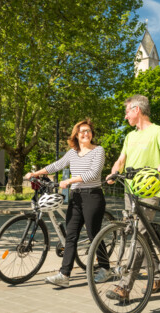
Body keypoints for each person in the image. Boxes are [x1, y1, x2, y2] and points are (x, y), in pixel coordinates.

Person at [105, 95, 160, 301]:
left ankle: (124, 286)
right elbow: (121, 160)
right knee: (139, 235)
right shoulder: (129, 136)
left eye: (127, 111)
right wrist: (113, 173)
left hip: (149, 190)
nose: (125, 115)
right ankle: (158, 277)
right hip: (130, 191)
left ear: (137, 110)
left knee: (138, 235)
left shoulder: (158, 131)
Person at [24, 118, 107, 288]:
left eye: (89, 131)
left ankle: (106, 269)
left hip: (93, 196)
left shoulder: (98, 150)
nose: (86, 133)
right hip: (76, 197)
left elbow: (93, 174)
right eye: (82, 131)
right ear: (76, 135)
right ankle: (64, 274)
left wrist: (69, 181)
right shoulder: (72, 153)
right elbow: (56, 165)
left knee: (94, 234)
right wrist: (35, 173)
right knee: (71, 235)